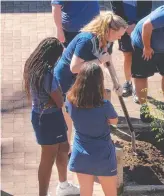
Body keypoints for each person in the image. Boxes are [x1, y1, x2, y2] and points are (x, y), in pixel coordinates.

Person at [54, 11, 127, 156]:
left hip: (80, 79)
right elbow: (74, 68)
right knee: (68, 114)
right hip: (66, 78)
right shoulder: (87, 40)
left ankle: (74, 145)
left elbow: (107, 61)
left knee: (77, 111)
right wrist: (99, 61)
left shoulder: (105, 40)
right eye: (119, 34)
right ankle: (66, 150)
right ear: (109, 30)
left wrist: (117, 83)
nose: (120, 38)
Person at [23, 37, 79, 196]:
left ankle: (63, 186)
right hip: (48, 119)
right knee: (47, 158)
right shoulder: (46, 74)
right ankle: (43, 194)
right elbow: (60, 101)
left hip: (46, 116)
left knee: (63, 148)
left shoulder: (32, 66)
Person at [66, 63, 119, 196]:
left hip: (81, 154)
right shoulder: (105, 105)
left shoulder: (70, 101)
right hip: (103, 155)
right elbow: (114, 121)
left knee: (85, 193)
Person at [110, 1, 152, 98]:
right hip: (123, 27)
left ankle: (138, 87)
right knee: (128, 56)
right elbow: (116, 9)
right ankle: (128, 82)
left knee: (140, 57)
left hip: (141, 27)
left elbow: (147, 9)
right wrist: (126, 25)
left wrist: (137, 24)